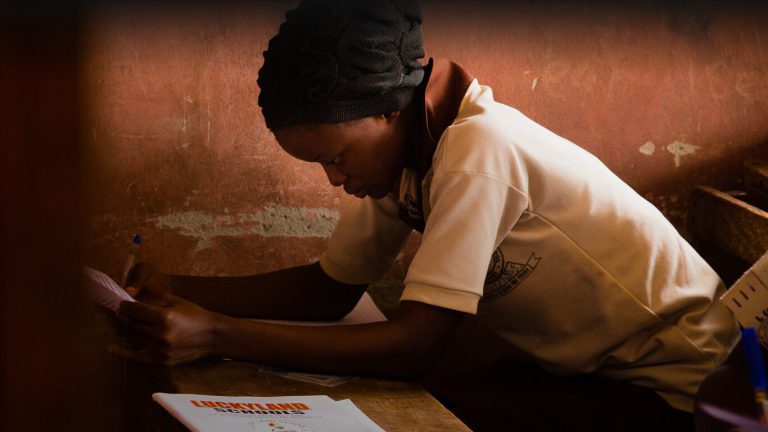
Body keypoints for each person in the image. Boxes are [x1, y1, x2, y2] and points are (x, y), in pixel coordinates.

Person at [107, 0, 740, 430]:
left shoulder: (477, 151)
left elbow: (415, 347)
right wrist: (175, 290)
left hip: (682, 393)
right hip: (596, 375)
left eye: (337, 157)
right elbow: (329, 289)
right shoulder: (406, 155)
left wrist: (216, 333)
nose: (335, 178)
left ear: (389, 111)